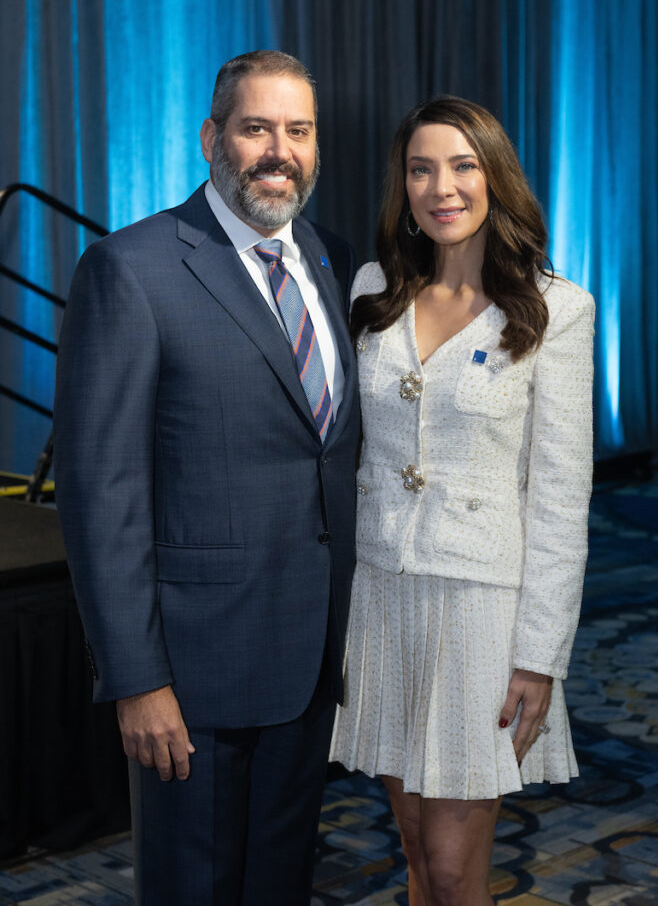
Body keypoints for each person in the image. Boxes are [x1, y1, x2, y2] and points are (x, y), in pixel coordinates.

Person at [53, 50, 360, 906]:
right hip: (195, 676)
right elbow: (99, 492)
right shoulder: (131, 269)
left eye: (297, 130)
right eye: (256, 126)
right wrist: (137, 677)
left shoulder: (331, 261)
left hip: (309, 659)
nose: (278, 149)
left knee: (279, 883)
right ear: (211, 137)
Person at [330, 95, 594, 906]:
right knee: (412, 852)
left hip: (479, 612)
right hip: (379, 598)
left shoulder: (557, 308)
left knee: (452, 869)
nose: (439, 187)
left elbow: (558, 496)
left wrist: (538, 656)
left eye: (461, 165)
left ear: (493, 177)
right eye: (420, 168)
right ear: (401, 186)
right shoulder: (373, 289)